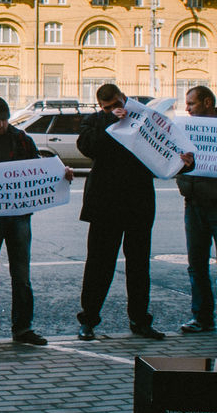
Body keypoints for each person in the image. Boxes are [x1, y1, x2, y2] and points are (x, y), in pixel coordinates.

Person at [0, 96, 73, 348]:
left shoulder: (22, 139)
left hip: (19, 215)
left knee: (22, 275)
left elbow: (38, 170)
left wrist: (61, 174)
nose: (0, 125)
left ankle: (23, 327)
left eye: (4, 120)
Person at [75, 83, 176, 341]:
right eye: (107, 107)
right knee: (99, 264)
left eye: (117, 105)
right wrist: (110, 122)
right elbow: (87, 147)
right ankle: (88, 319)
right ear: (101, 107)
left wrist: (184, 162)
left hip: (138, 203)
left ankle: (140, 320)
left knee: (139, 265)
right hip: (105, 204)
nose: (114, 109)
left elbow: (164, 147)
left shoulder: (143, 117)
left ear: (124, 98)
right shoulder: (96, 121)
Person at [176, 85, 217, 333]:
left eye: (191, 103)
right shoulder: (185, 130)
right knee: (197, 264)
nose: (187, 108)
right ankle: (202, 317)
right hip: (193, 202)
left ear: (207, 102)